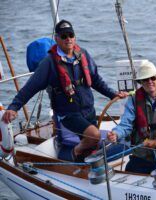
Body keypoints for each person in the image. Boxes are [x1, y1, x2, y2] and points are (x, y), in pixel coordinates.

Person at [1, 19, 127, 161]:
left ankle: (87, 160)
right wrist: (14, 107)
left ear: (75, 36)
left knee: (95, 142)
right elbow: (30, 87)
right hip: (68, 114)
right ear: (57, 39)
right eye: (64, 36)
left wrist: (112, 94)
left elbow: (96, 80)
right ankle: (74, 153)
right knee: (94, 135)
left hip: (88, 110)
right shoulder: (49, 62)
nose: (68, 39)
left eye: (70, 35)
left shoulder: (83, 54)